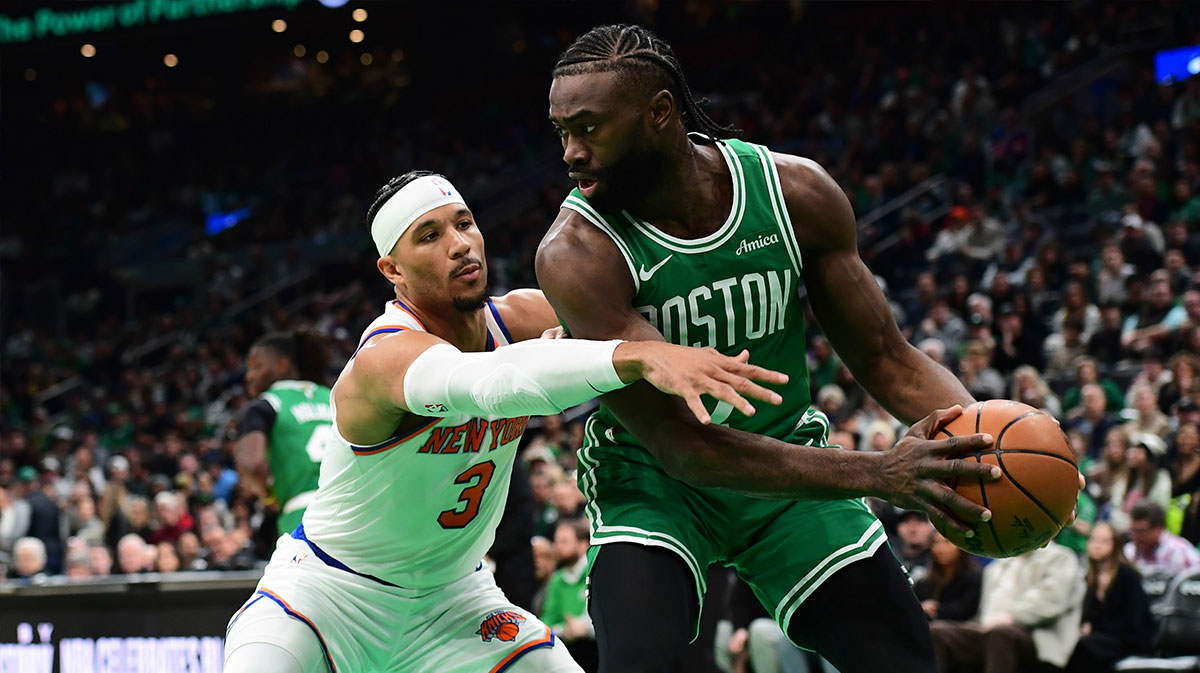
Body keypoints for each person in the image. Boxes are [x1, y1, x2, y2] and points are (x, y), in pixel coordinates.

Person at [536, 24, 1021, 673]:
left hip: (788, 470)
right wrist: (883, 472)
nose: (570, 151)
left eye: (589, 128)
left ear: (659, 114)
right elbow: (689, 448)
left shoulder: (794, 194)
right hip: (657, 483)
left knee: (907, 659)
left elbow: (885, 355)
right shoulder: (577, 253)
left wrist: (991, 449)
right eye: (562, 130)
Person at [222, 170, 789, 673]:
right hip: (324, 596)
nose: (460, 244)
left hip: (452, 600)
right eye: (430, 235)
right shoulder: (382, 359)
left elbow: (651, 309)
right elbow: (490, 385)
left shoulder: (521, 316)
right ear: (390, 269)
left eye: (464, 223)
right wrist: (636, 356)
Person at [235, 329, 334, 537]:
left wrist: (269, 497)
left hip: (304, 514)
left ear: (282, 364)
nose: (249, 375)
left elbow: (251, 466)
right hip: (358, 511)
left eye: (256, 367)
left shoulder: (265, 405)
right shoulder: (333, 397)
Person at [929, 541, 1084, 673]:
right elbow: (983, 611)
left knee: (1000, 634)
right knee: (939, 632)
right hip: (988, 629)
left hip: (1036, 637)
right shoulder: (998, 564)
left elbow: (1051, 602)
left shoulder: (1060, 558)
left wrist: (1011, 617)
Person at [1065, 522, 1154, 673]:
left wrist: (1095, 628)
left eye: (1104, 541)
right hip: (1101, 638)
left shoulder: (1127, 575)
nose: (1097, 545)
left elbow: (1135, 621)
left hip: (1128, 639)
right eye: (1093, 540)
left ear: (1116, 545)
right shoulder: (1090, 577)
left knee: (1084, 647)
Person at [541, 519, 597, 672]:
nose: (558, 547)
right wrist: (566, 629)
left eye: (565, 542)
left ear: (583, 544)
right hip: (566, 649)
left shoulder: (595, 572)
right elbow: (548, 621)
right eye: (556, 542)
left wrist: (583, 627)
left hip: (595, 650)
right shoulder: (557, 579)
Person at [914, 531, 982, 623]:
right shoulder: (925, 582)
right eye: (936, 543)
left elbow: (966, 610)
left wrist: (936, 609)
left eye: (947, 542)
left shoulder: (973, 577)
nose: (940, 548)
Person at [1124, 499, 1200, 575]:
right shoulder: (1129, 551)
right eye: (1133, 531)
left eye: (1142, 532)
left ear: (1159, 528)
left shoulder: (1179, 552)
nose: (1136, 537)